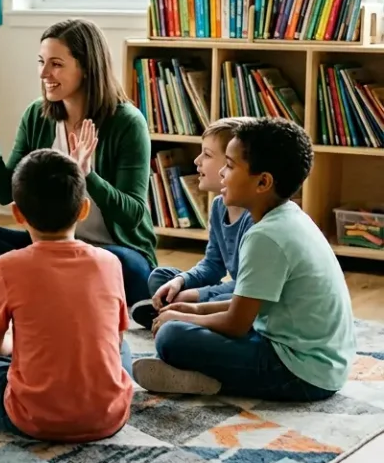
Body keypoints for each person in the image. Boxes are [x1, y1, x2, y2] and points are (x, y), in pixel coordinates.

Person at [134, 118, 356, 400]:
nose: (222, 174)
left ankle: (205, 378)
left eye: (229, 165)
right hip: (318, 361)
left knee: (171, 337)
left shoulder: (265, 236)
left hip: (301, 373)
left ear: (263, 182)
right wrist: (192, 311)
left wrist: (182, 316)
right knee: (179, 324)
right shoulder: (289, 216)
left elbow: (236, 323)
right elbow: (248, 307)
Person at [0, 149, 134, 442]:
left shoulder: (7, 266)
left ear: (17, 213)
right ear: (84, 209)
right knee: (123, 347)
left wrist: (19, 346)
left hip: (33, 419)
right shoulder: (110, 262)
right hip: (110, 417)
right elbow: (114, 341)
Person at [0, 18, 156, 305]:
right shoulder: (37, 116)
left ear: (87, 67)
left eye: (56, 64)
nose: (44, 73)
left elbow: (133, 214)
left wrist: (88, 175)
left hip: (111, 249)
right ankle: (51, 288)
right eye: (41, 62)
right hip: (49, 245)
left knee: (135, 274)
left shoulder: (127, 123)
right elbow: (6, 193)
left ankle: (18, 284)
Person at [131, 117, 255, 328]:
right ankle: (177, 312)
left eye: (206, 154)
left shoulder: (254, 218)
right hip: (230, 290)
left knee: (206, 303)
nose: (197, 161)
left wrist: (196, 296)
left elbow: (248, 289)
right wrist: (181, 282)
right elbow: (213, 265)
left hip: (246, 296)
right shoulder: (218, 206)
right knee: (161, 277)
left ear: (230, 162)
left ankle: (179, 315)